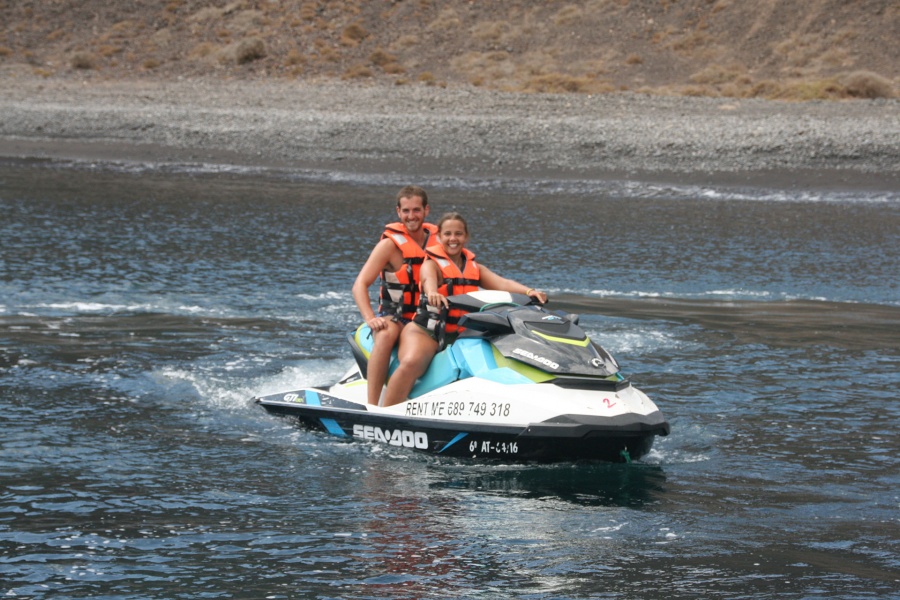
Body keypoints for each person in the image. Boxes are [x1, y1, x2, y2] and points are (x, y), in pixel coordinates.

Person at [380, 212, 548, 407]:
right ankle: (385, 413)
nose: (453, 239)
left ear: (466, 237)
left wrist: (529, 291)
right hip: (427, 332)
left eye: (458, 234)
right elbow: (428, 280)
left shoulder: (475, 268)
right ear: (439, 237)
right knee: (411, 362)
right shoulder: (432, 264)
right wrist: (433, 292)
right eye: (448, 234)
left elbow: (502, 283)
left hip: (462, 334)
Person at [351, 185, 438, 406]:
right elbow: (360, 284)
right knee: (386, 333)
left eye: (416, 210)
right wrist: (371, 318)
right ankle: (372, 405)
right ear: (398, 212)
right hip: (396, 316)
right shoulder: (388, 246)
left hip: (427, 315)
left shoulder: (440, 243)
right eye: (406, 211)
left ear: (426, 211)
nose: (412, 216)